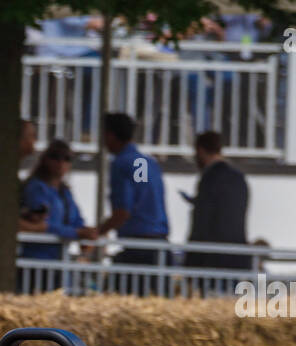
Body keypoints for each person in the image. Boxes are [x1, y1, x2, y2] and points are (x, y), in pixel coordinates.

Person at [79, 112, 169, 295]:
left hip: (137, 249)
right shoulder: (149, 162)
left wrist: (97, 233)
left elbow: (123, 211)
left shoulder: (121, 163)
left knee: (113, 299)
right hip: (161, 246)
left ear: (110, 135)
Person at [183, 131, 249, 272]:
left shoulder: (210, 179)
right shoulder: (239, 178)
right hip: (238, 257)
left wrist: (190, 258)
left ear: (200, 150)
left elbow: (203, 222)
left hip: (211, 260)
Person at [18, 139, 86, 261]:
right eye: (55, 157)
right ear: (45, 159)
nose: (61, 162)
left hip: (60, 262)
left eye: (67, 158)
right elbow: (43, 225)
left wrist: (86, 233)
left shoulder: (65, 192)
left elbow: (78, 222)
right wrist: (77, 233)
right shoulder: (36, 188)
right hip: (37, 262)